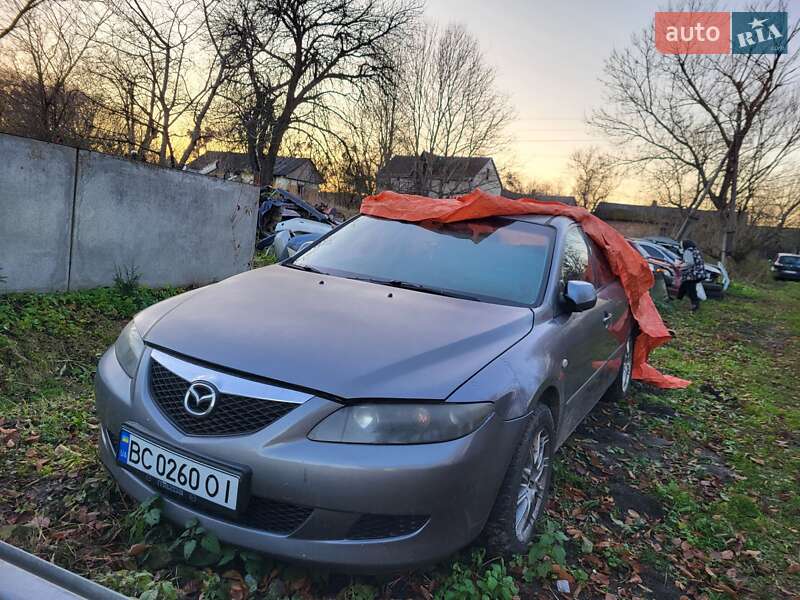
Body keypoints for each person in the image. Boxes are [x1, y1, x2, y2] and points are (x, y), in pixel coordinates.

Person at [676, 239, 706, 311]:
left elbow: (689, 263)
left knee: (691, 290)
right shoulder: (695, 250)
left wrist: (680, 266)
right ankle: (678, 299)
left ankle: (695, 305)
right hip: (699, 273)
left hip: (693, 274)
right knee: (684, 285)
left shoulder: (687, 251)